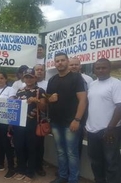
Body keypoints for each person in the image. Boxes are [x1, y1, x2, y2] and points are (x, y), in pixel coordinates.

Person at [47, 52, 87, 183]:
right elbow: (47, 99)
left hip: (71, 123)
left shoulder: (76, 78)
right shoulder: (52, 80)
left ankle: (73, 179)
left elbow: (83, 100)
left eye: (62, 60)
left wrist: (77, 120)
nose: (60, 63)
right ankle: (63, 176)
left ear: (67, 61)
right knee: (60, 151)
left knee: (71, 153)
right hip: (56, 122)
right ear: (55, 63)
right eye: (57, 61)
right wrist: (50, 99)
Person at [86, 58, 121, 183]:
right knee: (95, 162)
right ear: (94, 70)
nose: (101, 70)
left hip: (110, 131)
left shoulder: (116, 83)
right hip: (92, 130)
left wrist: (110, 128)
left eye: (104, 67)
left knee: (112, 162)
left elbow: (119, 107)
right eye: (98, 68)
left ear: (109, 68)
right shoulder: (92, 84)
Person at [13, 68, 46, 183]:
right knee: (19, 147)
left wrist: (36, 100)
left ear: (35, 78)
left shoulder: (40, 90)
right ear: (23, 78)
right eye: (26, 77)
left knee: (32, 149)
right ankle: (21, 169)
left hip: (32, 125)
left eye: (31, 77)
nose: (28, 79)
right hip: (19, 125)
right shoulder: (19, 91)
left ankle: (30, 172)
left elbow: (44, 107)